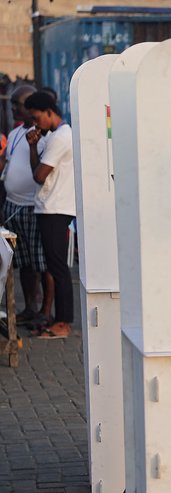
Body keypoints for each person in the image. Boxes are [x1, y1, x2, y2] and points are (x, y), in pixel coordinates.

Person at [24, 91, 75, 339]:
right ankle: (58, 318)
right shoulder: (51, 136)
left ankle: (64, 323)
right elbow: (37, 169)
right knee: (54, 267)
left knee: (58, 268)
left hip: (57, 208)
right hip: (48, 207)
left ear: (48, 112)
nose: (35, 123)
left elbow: (38, 176)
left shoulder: (62, 137)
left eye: (37, 118)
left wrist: (38, 147)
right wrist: (33, 145)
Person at [0, 84, 49, 326]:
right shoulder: (15, 133)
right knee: (22, 263)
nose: (13, 108)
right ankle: (29, 306)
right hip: (12, 205)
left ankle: (44, 310)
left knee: (40, 262)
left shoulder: (44, 136)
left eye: (17, 104)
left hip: (32, 207)